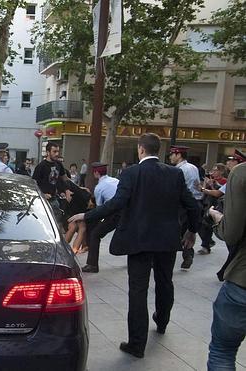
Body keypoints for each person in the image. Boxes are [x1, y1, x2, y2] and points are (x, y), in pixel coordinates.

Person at [69, 133, 199, 359]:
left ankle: (137, 344)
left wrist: (87, 216)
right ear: (158, 150)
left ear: (140, 149)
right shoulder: (174, 174)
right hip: (167, 240)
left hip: (139, 240)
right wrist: (192, 230)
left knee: (138, 291)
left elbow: (116, 204)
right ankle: (162, 321)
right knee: (165, 282)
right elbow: (192, 205)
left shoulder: (131, 173)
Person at [206, 161, 245, 370]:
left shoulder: (241, 174)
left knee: (223, 352)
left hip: (242, 282)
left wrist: (218, 218)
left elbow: (231, 233)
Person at [80, 163, 119, 273]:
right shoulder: (115, 180)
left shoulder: (99, 187)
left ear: (96, 173)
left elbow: (100, 209)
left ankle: (92, 265)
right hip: (127, 210)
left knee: (95, 234)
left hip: (114, 213)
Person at [169, 145, 203, 270]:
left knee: (176, 229)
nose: (170, 157)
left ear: (178, 155)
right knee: (187, 231)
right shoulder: (193, 167)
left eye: (173, 154)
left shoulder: (179, 170)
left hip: (182, 204)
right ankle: (188, 255)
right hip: (195, 202)